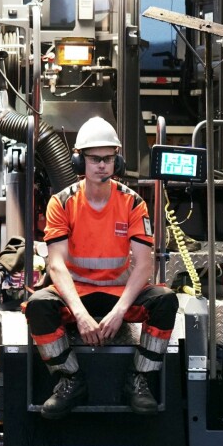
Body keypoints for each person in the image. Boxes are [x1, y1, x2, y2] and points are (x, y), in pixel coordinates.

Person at [24, 116, 178, 419]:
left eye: (109, 158)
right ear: (80, 160)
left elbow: (144, 263)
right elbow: (55, 264)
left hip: (118, 294)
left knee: (165, 300)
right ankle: (70, 379)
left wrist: (120, 312)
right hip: (75, 294)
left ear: (117, 160)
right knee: (38, 305)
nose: (102, 165)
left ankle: (139, 378)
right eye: (95, 159)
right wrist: (79, 314)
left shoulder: (133, 203)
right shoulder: (61, 203)